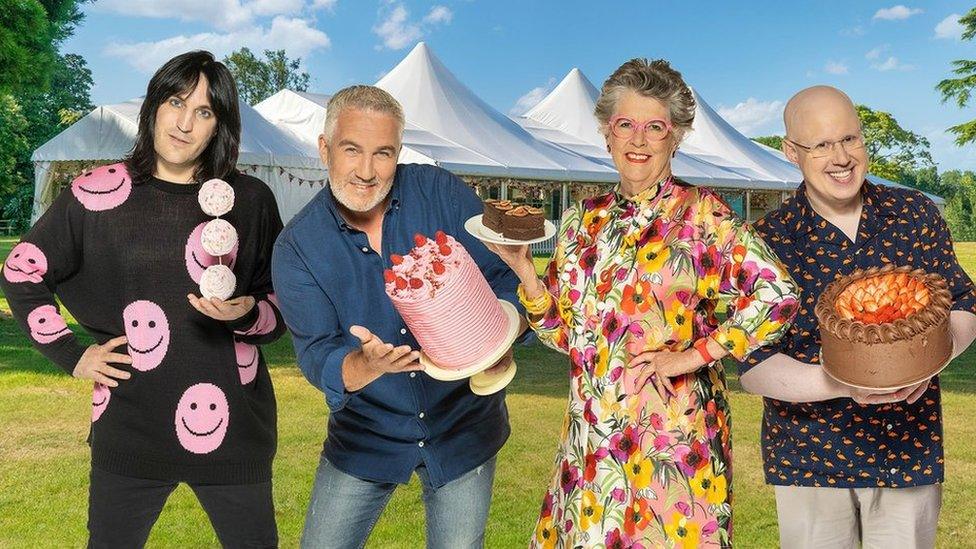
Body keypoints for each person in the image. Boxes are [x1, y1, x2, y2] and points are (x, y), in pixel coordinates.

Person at [487, 58, 798, 548]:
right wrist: (525, 271)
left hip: (676, 446)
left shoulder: (702, 216)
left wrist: (695, 355)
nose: (638, 140)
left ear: (674, 138)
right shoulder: (579, 222)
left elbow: (777, 294)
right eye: (624, 125)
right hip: (592, 443)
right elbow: (566, 337)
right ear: (607, 134)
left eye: (655, 127)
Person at [1, 51, 285, 547]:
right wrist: (73, 354)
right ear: (154, 104)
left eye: (204, 112)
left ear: (220, 126)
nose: (184, 123)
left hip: (235, 426)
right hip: (129, 424)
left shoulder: (251, 200)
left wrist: (248, 313)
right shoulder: (96, 192)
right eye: (176, 102)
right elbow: (20, 270)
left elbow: (281, 307)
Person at [271, 85, 523, 549]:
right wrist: (364, 366)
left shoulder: (440, 192)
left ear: (398, 152)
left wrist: (500, 337)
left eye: (383, 153)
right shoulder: (297, 248)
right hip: (367, 435)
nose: (367, 171)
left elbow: (506, 279)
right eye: (352, 150)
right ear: (324, 149)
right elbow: (316, 354)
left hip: (463, 425)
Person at [738, 85, 976, 548]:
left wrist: (931, 362)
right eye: (821, 144)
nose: (841, 157)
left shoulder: (915, 213)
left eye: (850, 139)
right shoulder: (765, 241)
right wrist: (846, 383)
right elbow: (752, 363)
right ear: (791, 152)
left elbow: (965, 303)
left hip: (909, 450)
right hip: (809, 457)